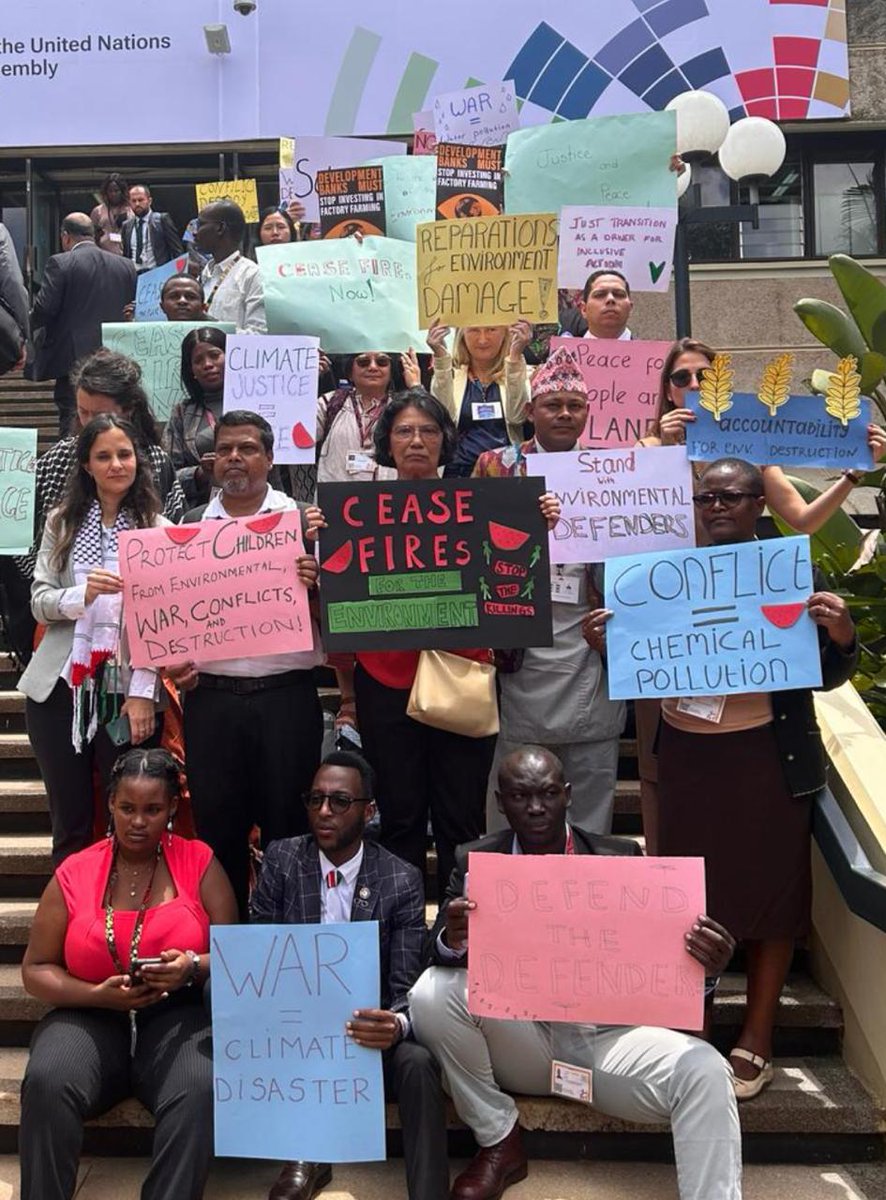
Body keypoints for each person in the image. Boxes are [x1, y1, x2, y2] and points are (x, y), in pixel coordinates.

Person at [409, 745, 741, 1200]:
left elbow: (662, 969)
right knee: (430, 992)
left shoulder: (619, 859)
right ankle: (498, 1139)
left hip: (604, 1040)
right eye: (521, 796)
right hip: (518, 1036)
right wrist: (454, 935)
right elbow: (431, 952)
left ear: (568, 794)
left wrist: (706, 971)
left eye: (547, 794)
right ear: (500, 802)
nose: (536, 807)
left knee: (705, 1070)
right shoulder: (473, 861)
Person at [650, 458, 858, 1100]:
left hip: (766, 756)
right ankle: (693, 1025)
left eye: (731, 496)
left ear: (758, 505)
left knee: (771, 899)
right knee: (687, 899)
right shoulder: (662, 573)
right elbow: (642, 656)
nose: (716, 506)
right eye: (706, 496)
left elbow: (826, 673)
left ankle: (757, 1037)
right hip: (688, 759)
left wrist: (840, 629)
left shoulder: (791, 571)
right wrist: (612, 643)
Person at [634, 337, 886, 851]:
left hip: (743, 615)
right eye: (682, 378)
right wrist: (666, 455)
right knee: (661, 755)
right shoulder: (650, 450)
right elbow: (639, 529)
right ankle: (667, 865)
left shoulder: (751, 448)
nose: (695, 385)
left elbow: (805, 519)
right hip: (673, 619)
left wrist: (853, 475)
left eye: (706, 374)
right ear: (666, 390)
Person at [331, 389, 559, 892]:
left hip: (464, 676)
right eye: (405, 431)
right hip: (384, 682)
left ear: (445, 441)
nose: (417, 441)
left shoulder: (483, 504)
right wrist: (318, 534)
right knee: (400, 817)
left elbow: (517, 565)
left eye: (429, 431)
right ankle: (406, 936)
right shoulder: (353, 511)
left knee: (461, 820)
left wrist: (539, 520)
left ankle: (465, 938)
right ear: (386, 443)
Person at [19, 747, 238, 1200]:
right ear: (111, 806)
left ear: (172, 809)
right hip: (89, 1014)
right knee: (47, 1079)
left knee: (201, 1087)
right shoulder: (74, 872)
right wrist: (98, 994)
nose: (139, 821)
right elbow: (36, 968)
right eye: (127, 808)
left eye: (153, 810)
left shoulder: (199, 862)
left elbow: (236, 955)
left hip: (177, 1013)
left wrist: (191, 967)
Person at [250, 750, 449, 1200]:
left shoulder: (400, 878)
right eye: (315, 799)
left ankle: (429, 1191)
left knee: (418, 1064)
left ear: (369, 811)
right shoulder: (282, 860)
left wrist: (394, 1024)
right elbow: (259, 956)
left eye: (340, 801)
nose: (324, 811)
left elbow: (404, 985)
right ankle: (304, 1156)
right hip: (297, 1029)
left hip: (366, 1033)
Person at [165, 410, 324, 915]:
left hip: (287, 698)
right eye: (225, 449)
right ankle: (226, 948)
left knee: (290, 829)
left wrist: (317, 582)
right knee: (218, 827)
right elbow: (170, 617)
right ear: (212, 461)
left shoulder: (305, 522)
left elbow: (342, 612)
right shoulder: (188, 527)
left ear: (270, 459)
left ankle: (289, 943)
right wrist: (176, 664)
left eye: (247, 448)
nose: (235, 457)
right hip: (211, 701)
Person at [473, 346, 625, 833]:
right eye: (552, 404)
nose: (563, 413)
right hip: (520, 646)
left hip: (591, 641)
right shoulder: (495, 466)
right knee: (516, 788)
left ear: (587, 413)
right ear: (529, 411)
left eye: (574, 405)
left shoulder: (612, 471)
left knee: (592, 789)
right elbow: (474, 545)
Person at [18, 415, 169, 865]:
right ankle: (70, 929)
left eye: (124, 454)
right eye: (104, 456)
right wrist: (80, 595)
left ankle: (119, 926)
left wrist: (143, 693)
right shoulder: (62, 522)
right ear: (86, 464)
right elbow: (39, 601)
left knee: (127, 819)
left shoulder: (156, 528)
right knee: (70, 822)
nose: (116, 464)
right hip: (59, 687)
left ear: (138, 460)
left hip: (124, 692)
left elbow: (161, 620)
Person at [20, 349, 186, 587]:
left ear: (127, 410)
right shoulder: (55, 461)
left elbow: (174, 540)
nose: (89, 421)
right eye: (82, 412)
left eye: (99, 414)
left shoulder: (156, 461)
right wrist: (54, 583)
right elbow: (25, 540)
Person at [31, 213, 136, 436]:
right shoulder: (126, 266)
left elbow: (44, 309)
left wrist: (27, 330)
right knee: (114, 421)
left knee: (73, 420)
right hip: (115, 356)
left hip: (71, 360)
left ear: (65, 237)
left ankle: (71, 467)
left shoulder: (60, 263)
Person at [427, 321, 532, 477]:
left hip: (505, 474)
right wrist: (440, 356)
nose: (483, 339)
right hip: (458, 474)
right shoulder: (451, 377)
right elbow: (443, 420)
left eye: (491, 329)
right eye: (474, 330)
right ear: (462, 335)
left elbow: (517, 417)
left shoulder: (522, 373)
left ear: (506, 333)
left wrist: (515, 355)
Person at [317, 349, 420, 484]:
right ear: (350, 372)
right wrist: (306, 383)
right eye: (363, 362)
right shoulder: (330, 403)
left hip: (389, 501)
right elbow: (293, 437)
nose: (373, 367)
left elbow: (441, 424)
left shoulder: (405, 408)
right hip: (334, 501)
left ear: (391, 372)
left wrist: (416, 387)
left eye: (382, 362)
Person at [163, 326, 227, 509]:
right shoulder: (182, 414)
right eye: (198, 360)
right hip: (204, 513)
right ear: (191, 370)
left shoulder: (262, 403)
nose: (208, 364)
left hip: (262, 508)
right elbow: (165, 477)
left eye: (215, 355)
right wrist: (199, 474)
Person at [195, 199, 267, 333]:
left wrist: (211, 326)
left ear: (220, 228)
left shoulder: (252, 275)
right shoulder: (204, 274)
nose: (195, 232)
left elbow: (259, 336)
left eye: (200, 225)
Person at [121, 184, 185, 271]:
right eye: (133, 201)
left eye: (140, 200)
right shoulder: (126, 226)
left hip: (158, 273)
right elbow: (126, 255)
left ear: (149, 201)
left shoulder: (161, 220)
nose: (137, 204)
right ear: (129, 203)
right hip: (134, 273)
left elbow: (177, 250)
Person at [558, 270, 634, 341]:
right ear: (584, 309)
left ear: (630, 309)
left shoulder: (646, 354)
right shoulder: (553, 354)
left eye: (619, 294)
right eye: (600, 295)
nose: (610, 299)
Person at [89, 173, 132, 256]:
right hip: (104, 255)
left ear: (122, 191)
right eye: (110, 191)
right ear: (106, 192)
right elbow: (91, 236)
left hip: (127, 255)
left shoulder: (130, 209)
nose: (113, 194)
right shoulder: (98, 211)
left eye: (116, 191)